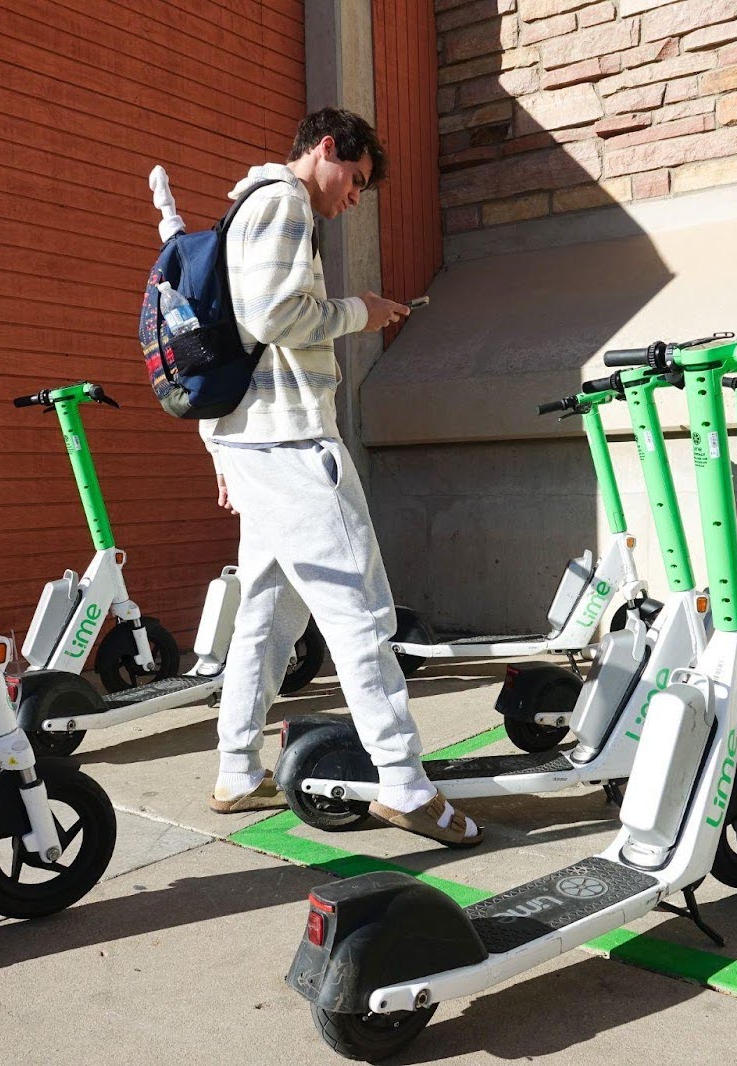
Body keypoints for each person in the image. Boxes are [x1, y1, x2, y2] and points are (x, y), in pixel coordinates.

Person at [198, 107, 482, 847]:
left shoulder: (244, 210)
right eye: (354, 180)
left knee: (266, 614)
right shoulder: (286, 201)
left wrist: (221, 450)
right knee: (356, 610)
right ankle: (404, 783)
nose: (353, 197)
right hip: (292, 445)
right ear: (326, 148)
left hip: (256, 442)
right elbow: (270, 315)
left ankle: (235, 770)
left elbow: (229, 332)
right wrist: (361, 312)